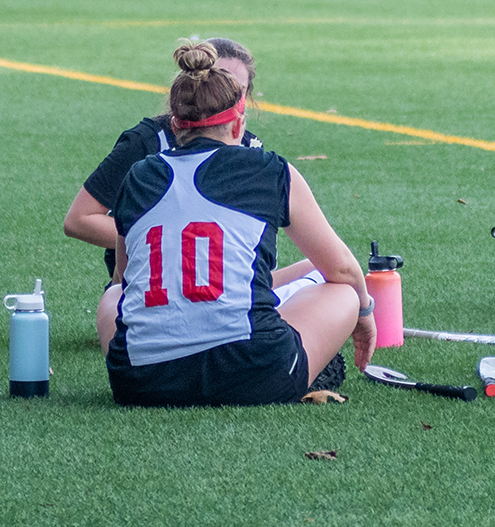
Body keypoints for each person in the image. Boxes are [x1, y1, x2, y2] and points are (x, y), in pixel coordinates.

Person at [102, 43, 374, 406]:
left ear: (173, 124)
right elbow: (341, 267)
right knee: (342, 290)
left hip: (140, 385)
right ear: (238, 123)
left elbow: (125, 280)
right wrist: (365, 312)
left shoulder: (138, 176)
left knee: (113, 296)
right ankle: (306, 364)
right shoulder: (269, 169)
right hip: (253, 373)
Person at [65, 37, 325, 345]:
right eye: (216, 80)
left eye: (237, 90)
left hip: (226, 288)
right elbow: (79, 219)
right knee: (116, 294)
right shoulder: (146, 143)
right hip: (160, 288)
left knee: (320, 268)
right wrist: (174, 237)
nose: (223, 95)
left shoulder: (252, 150)